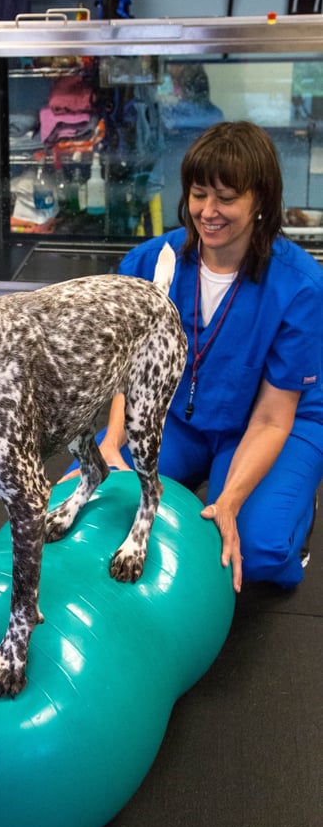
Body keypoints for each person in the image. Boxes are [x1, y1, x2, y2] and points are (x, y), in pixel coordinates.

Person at [65, 120, 323, 593]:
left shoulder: (300, 286)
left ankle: (297, 510)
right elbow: (130, 371)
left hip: (269, 423)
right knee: (84, 501)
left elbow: (271, 417)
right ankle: (192, 473)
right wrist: (111, 445)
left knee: (256, 548)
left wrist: (229, 501)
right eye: (199, 194)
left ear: (260, 201)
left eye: (227, 198)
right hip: (175, 413)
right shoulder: (149, 263)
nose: (208, 211)